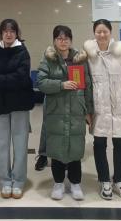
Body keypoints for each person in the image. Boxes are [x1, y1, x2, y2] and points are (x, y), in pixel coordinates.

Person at [37, 25, 93, 200]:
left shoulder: (80, 59)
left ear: (71, 40)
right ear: (54, 40)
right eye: (59, 38)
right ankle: (58, 183)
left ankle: (76, 183)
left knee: (75, 147)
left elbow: (88, 86)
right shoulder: (48, 59)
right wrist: (61, 85)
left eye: (66, 38)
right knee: (56, 149)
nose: (63, 42)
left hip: (76, 108)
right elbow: (41, 82)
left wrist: (88, 110)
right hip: (56, 110)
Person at [85, 19, 121, 200]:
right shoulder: (89, 54)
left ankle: (120, 180)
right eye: (98, 31)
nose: (102, 35)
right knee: (99, 144)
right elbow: (85, 84)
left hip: (120, 104)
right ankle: (104, 180)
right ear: (94, 33)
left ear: (110, 32)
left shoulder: (120, 52)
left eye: (105, 31)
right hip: (98, 105)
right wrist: (87, 109)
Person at [0, 19, 34, 199]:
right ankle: (5, 181)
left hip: (20, 104)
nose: (8, 34)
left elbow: (21, 78)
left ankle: (19, 180)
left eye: (12, 31)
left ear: (16, 33)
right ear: (1, 33)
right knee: (1, 144)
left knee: (20, 144)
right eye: (5, 31)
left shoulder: (23, 52)